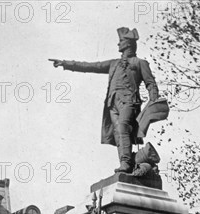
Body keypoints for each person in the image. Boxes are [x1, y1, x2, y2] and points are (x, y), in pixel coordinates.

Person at [52, 27, 159, 174]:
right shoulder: (113, 63)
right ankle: (125, 163)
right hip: (112, 104)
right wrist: (66, 63)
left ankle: (126, 163)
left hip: (129, 102)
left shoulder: (140, 63)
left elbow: (151, 83)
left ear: (127, 44)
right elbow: (90, 66)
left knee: (122, 128)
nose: (118, 44)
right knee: (118, 133)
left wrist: (153, 100)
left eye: (121, 41)